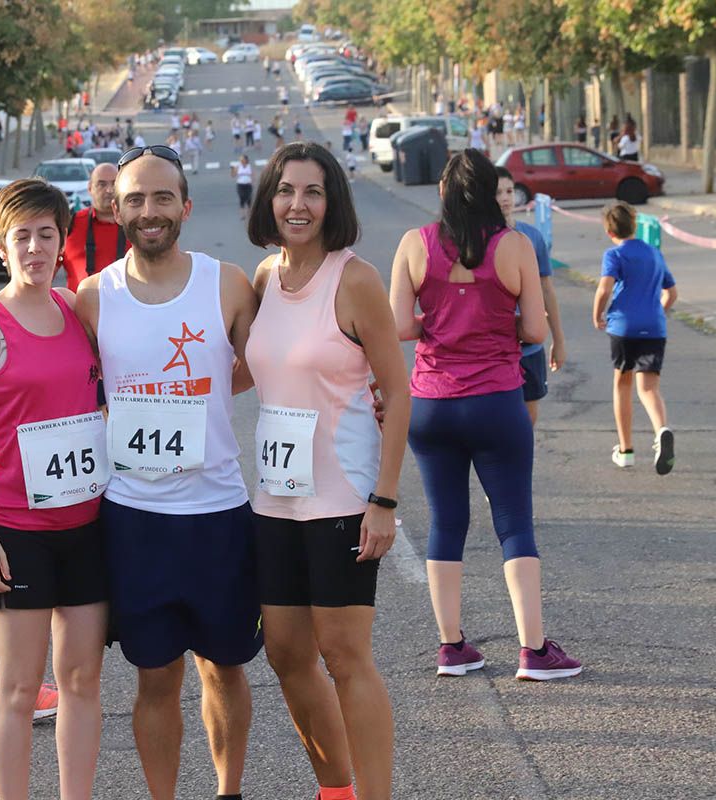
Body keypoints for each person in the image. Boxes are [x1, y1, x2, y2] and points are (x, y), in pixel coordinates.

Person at [74, 145, 262, 800]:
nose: (148, 212)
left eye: (161, 198)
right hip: (135, 519)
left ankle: (227, 791)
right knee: (155, 678)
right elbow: (64, 389)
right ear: (114, 208)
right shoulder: (93, 298)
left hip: (218, 515)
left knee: (226, 670)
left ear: (184, 205)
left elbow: (271, 362)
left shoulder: (229, 283)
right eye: (134, 200)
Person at [245, 143, 410, 800]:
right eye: (286, 190)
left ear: (331, 202)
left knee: (345, 657)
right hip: (275, 501)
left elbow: (397, 391)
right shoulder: (263, 277)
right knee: (286, 654)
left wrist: (385, 500)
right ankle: (334, 788)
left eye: (313, 192)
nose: (297, 204)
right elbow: (246, 370)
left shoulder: (356, 279)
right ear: (268, 197)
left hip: (343, 497)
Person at [389, 149, 582, 682]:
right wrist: (495, 320)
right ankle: (534, 650)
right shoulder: (513, 245)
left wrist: (440, 319)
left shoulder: (414, 244)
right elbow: (536, 333)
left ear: (446, 193)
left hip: (431, 402)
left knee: (446, 522)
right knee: (514, 521)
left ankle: (451, 646)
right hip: (496, 398)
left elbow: (400, 327)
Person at [0, 179, 108, 800]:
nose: (36, 248)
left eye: (47, 235)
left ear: (60, 240)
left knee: (82, 681)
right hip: (17, 532)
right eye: (23, 237)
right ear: (0, 246)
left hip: (89, 527)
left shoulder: (78, 310)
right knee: (18, 689)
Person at [592, 201, 677, 474]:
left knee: (623, 383)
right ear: (635, 225)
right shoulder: (654, 253)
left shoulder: (614, 255)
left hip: (623, 327)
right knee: (649, 387)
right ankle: (661, 429)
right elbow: (671, 293)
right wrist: (657, 313)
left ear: (609, 230)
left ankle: (626, 450)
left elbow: (604, 289)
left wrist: (597, 315)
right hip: (654, 327)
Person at [495, 166, 567, 424]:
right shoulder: (481, 239)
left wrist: (558, 340)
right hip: (495, 349)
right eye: (497, 192)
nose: (505, 198)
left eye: (509, 191)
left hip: (529, 348)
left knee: (528, 417)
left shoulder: (532, 237)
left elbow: (547, 290)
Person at [63, 162, 130, 292]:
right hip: (79, 310)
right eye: (102, 184)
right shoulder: (71, 224)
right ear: (89, 189)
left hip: (128, 310)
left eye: (114, 184)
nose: (109, 190)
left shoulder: (135, 225)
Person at [233, 153, 254, 220]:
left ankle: (249, 214)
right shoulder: (238, 166)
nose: (242, 160)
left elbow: (253, 175)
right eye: (241, 159)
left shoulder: (249, 166)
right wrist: (233, 170)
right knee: (242, 198)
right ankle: (242, 215)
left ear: (246, 160)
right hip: (240, 184)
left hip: (248, 184)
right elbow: (233, 175)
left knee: (249, 199)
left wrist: (252, 182)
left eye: (243, 159)